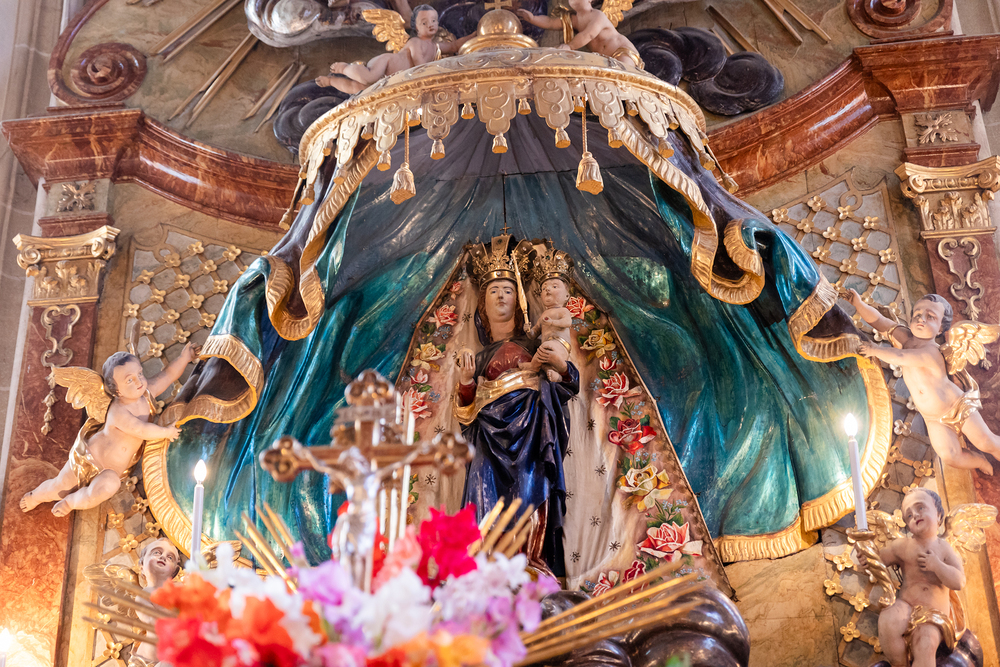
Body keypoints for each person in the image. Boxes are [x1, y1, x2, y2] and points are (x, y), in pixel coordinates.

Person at [454, 235, 579, 576]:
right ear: (482, 303)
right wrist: (466, 381)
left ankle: (531, 565)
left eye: (508, 290)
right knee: (482, 493)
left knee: (529, 490)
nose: (500, 297)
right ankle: (486, 572)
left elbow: (568, 383)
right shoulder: (479, 358)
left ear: (519, 299)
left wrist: (562, 366)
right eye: (493, 291)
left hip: (531, 432)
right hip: (488, 440)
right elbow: (465, 419)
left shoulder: (536, 343)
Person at [20, 344, 198, 517]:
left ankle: (70, 502)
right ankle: (36, 496)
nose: (139, 381)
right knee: (58, 487)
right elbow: (141, 429)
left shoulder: (146, 393)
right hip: (89, 458)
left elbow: (167, 376)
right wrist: (166, 432)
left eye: (140, 374)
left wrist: (185, 357)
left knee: (108, 487)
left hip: (111, 471)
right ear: (117, 391)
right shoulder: (119, 411)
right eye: (129, 380)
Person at [850, 290, 1000, 475]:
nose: (921, 319)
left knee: (985, 441)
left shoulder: (931, 352)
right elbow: (880, 321)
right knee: (950, 455)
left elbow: (902, 357)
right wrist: (858, 304)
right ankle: (978, 461)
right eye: (917, 314)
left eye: (930, 317)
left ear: (940, 329)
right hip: (933, 418)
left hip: (956, 406)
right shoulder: (905, 337)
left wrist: (875, 350)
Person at [857, 488, 965, 667]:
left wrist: (937, 565)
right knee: (889, 618)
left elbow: (959, 581)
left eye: (920, 508)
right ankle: (900, 664)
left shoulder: (945, 548)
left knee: (925, 642)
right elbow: (878, 560)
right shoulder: (903, 546)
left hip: (933, 616)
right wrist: (867, 557)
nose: (915, 514)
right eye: (908, 515)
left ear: (938, 514)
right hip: (906, 606)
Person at [317, 6, 468, 95]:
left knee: (359, 89)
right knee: (368, 77)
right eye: (424, 22)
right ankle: (344, 68)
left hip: (390, 79)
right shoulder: (415, 42)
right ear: (416, 27)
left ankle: (331, 81)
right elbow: (420, 66)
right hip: (386, 64)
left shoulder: (435, 47)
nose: (430, 25)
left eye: (433, 21)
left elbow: (454, 46)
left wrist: (476, 35)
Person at [516, 0, 642, 69]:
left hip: (623, 51)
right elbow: (551, 23)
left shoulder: (598, 15)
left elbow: (588, 35)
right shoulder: (574, 20)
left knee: (625, 74)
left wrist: (569, 46)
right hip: (606, 61)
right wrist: (533, 18)